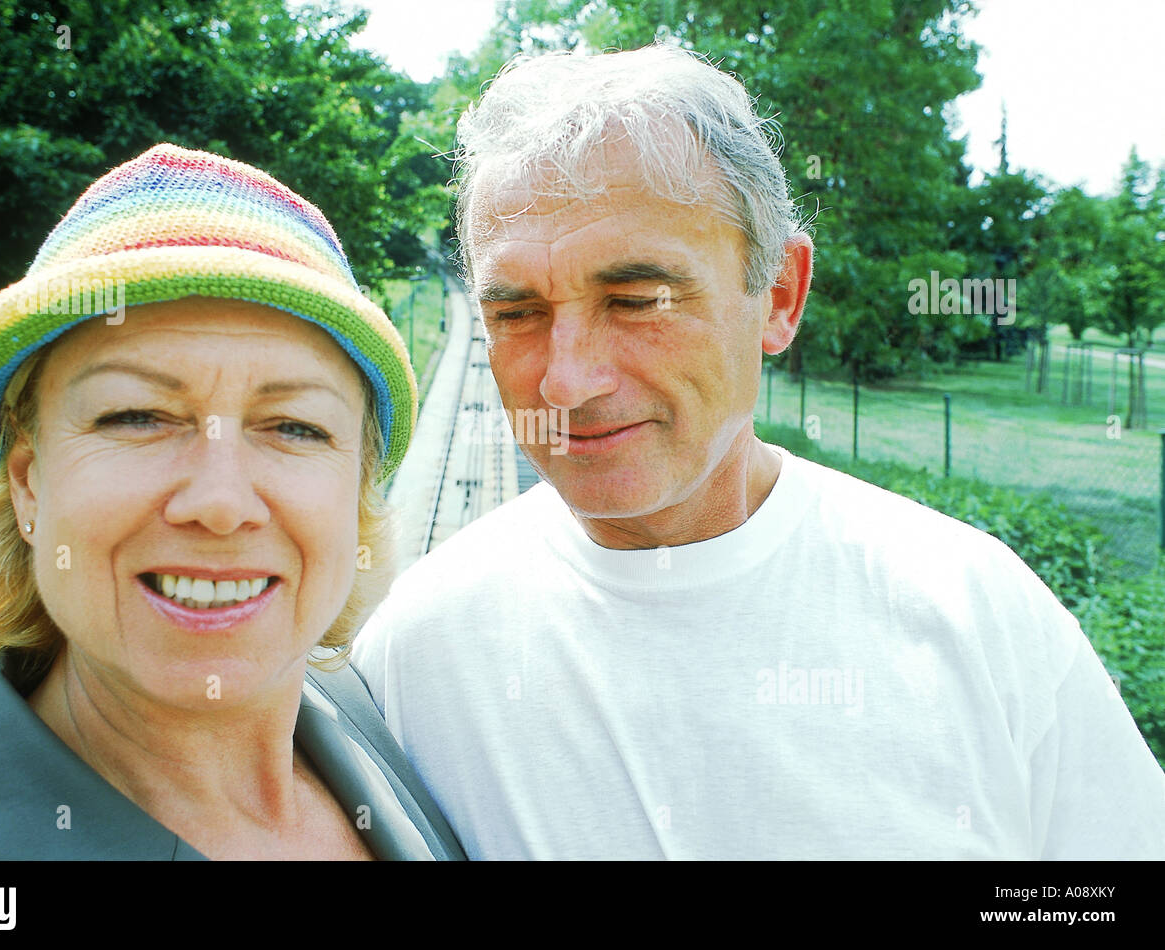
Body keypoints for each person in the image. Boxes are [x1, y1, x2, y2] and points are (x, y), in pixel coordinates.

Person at [351, 45, 1165, 859]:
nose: (565, 381)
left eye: (636, 300)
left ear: (779, 295)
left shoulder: (979, 617)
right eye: (518, 312)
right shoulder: (412, 659)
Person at [0, 143, 463, 860]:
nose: (219, 502)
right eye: (136, 417)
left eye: (295, 426)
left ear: (357, 488)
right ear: (29, 482)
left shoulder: (370, 718)